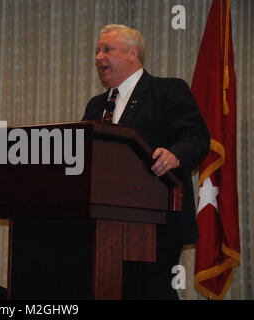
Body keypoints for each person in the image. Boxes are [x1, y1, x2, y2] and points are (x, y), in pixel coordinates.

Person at [82, 24, 210, 299]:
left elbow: (197, 136)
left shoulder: (167, 91)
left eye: (107, 50)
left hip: (156, 220)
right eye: (97, 51)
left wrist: (175, 156)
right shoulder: (96, 105)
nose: (98, 57)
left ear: (133, 53)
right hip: (103, 225)